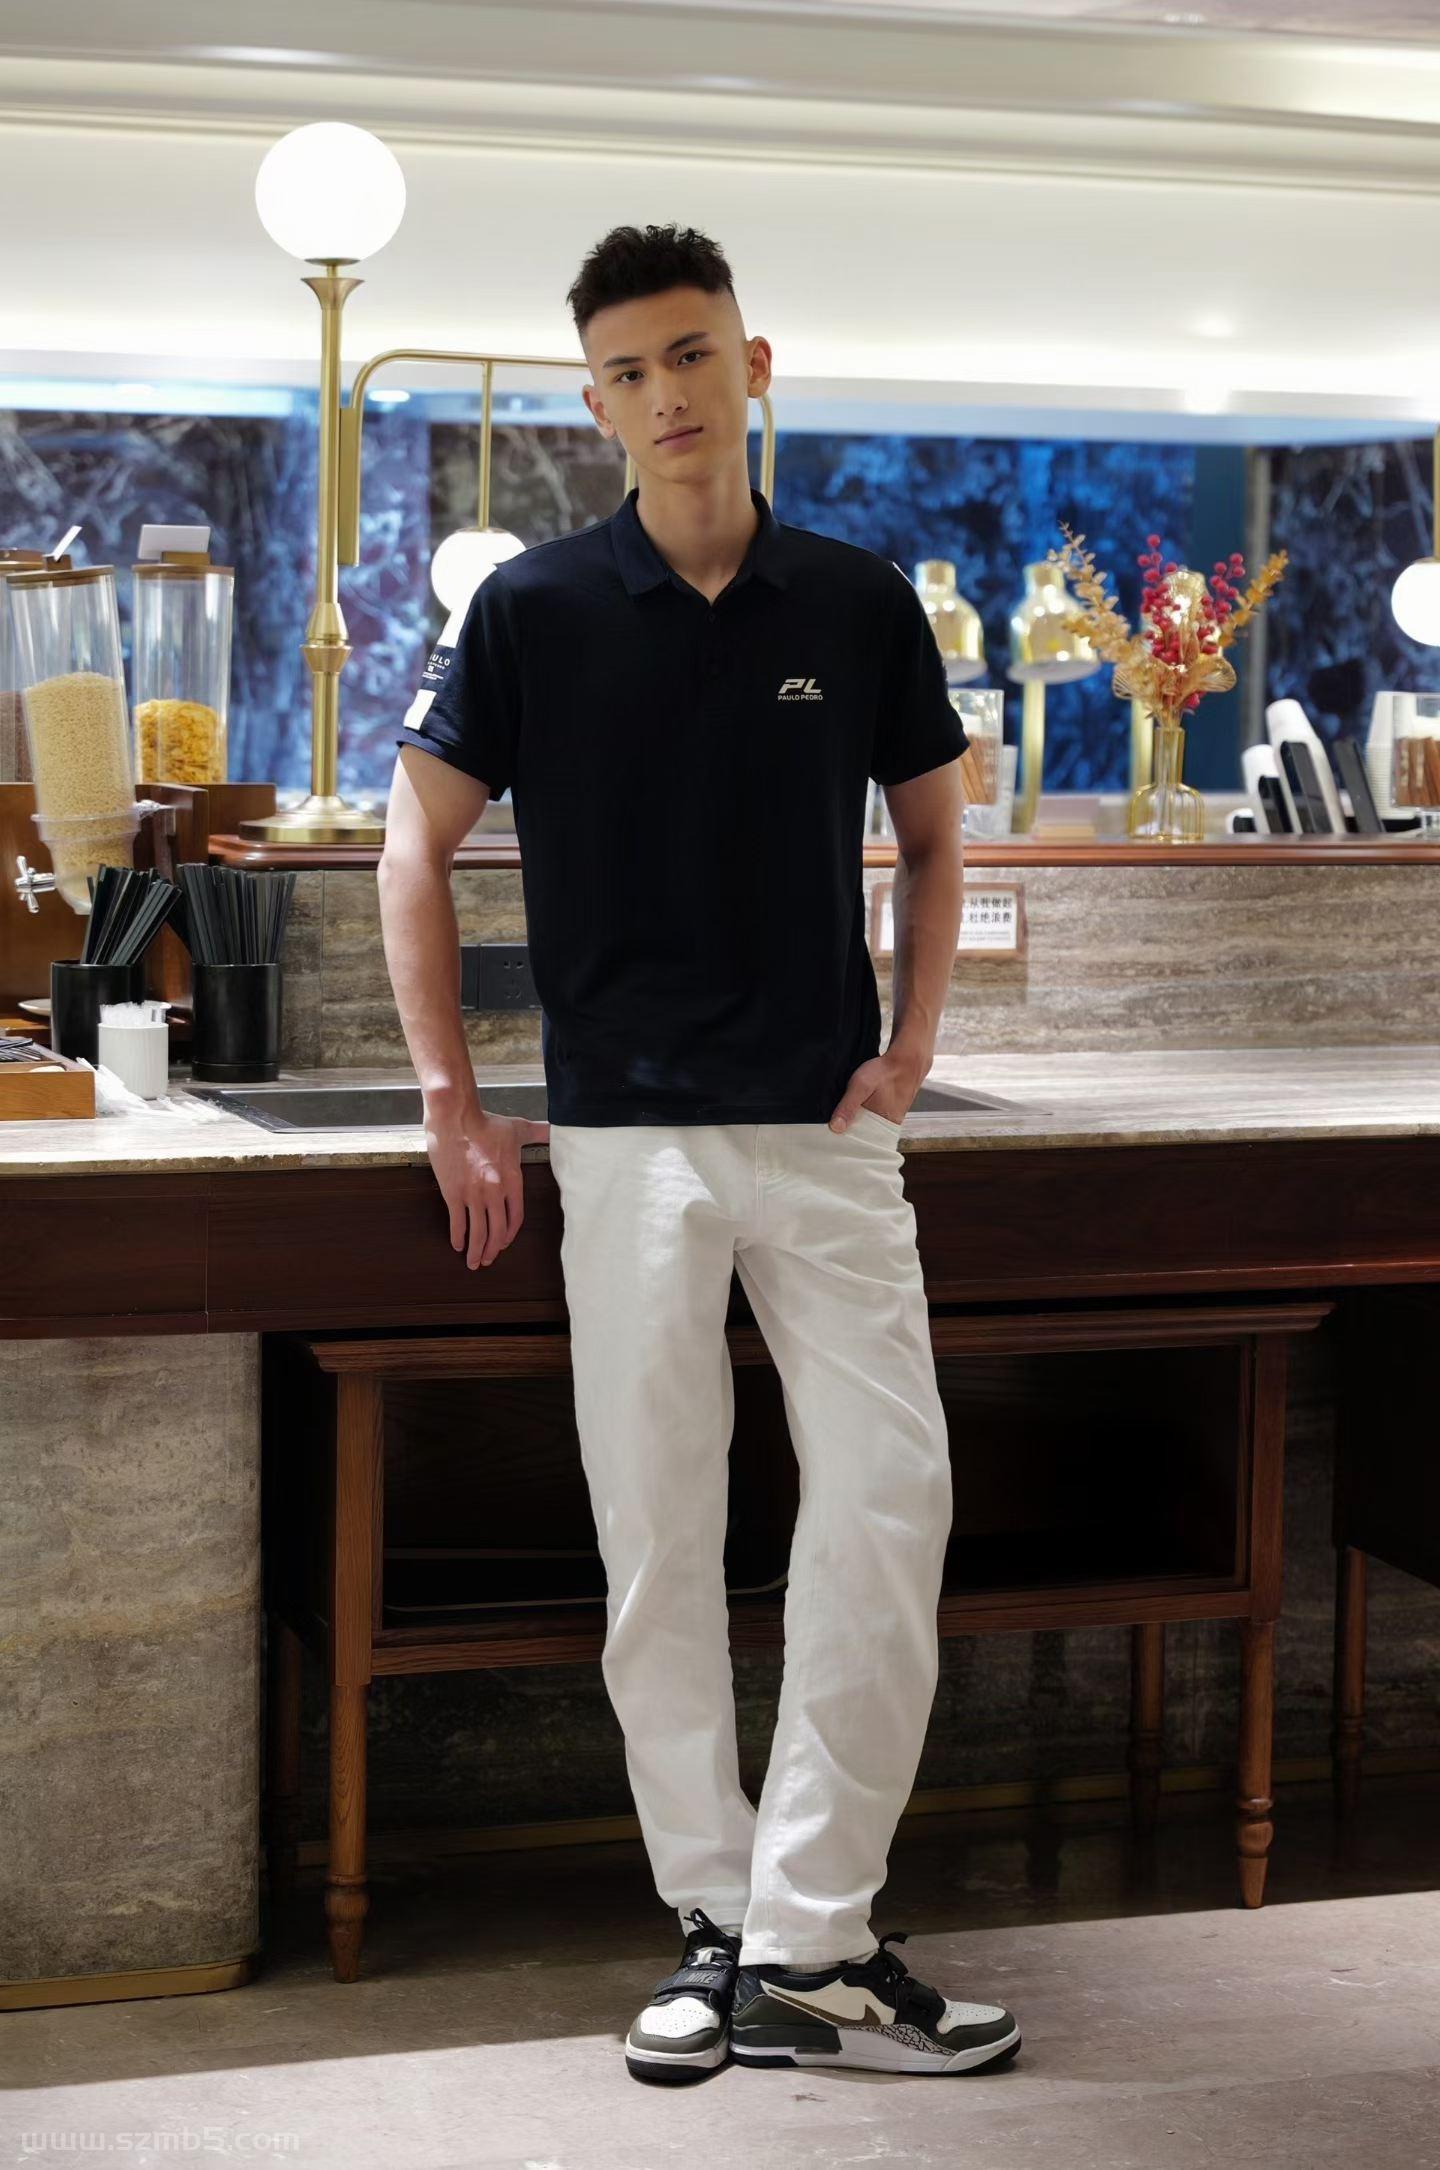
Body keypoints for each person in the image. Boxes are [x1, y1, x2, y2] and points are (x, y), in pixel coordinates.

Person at [378, 221, 1020, 2084]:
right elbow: (413, 845)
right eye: (628, 371)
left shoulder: (858, 601)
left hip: (827, 1135)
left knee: (888, 1504)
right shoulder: (529, 611)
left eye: (691, 353)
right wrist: (448, 1096)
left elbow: (934, 837)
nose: (665, 393)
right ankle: (718, 1924)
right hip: (626, 1143)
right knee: (659, 1538)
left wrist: (915, 1043)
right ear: (595, 405)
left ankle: (813, 1936)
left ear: (754, 364)